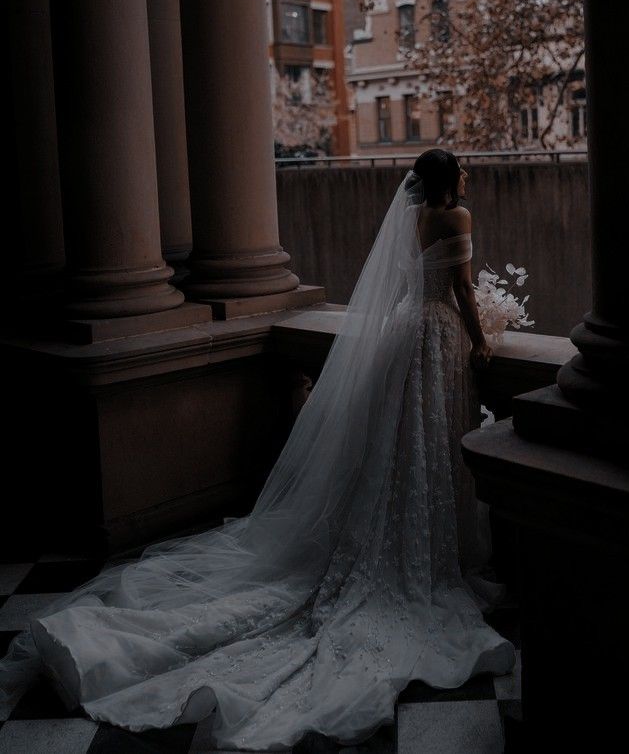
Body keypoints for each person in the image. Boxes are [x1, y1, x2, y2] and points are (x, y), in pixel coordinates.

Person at [0, 149, 515, 751]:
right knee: (426, 443)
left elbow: (412, 283)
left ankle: (398, 538)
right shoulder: (458, 219)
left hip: (404, 334)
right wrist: (484, 341)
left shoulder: (409, 219)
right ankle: (427, 548)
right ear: (451, 178)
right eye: (463, 170)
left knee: (399, 447)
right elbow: (457, 290)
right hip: (436, 337)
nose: (469, 178)